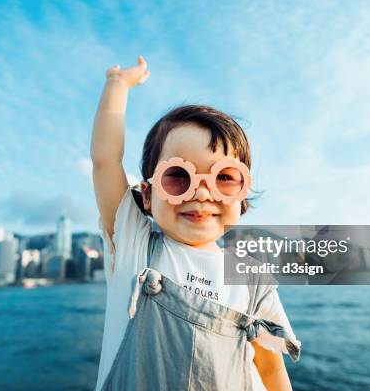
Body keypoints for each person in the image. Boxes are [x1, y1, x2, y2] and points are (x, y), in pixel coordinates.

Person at [91, 56, 300, 390]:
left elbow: (270, 369)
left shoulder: (252, 279)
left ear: (242, 197)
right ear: (147, 195)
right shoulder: (136, 244)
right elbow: (106, 159)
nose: (202, 193)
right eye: (178, 176)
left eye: (224, 178)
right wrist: (118, 84)